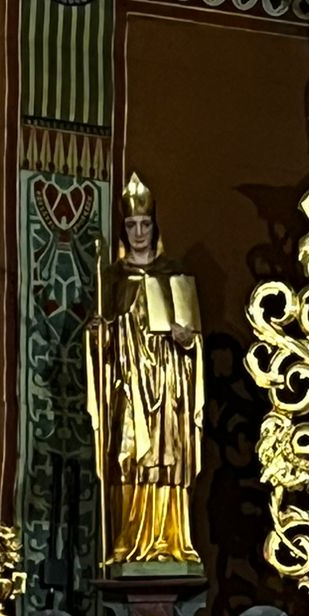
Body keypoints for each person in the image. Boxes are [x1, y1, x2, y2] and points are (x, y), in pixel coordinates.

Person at [86, 173, 203, 569]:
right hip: (128, 383)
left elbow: (195, 344)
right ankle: (128, 537)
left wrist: (186, 339)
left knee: (167, 458)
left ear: (155, 227)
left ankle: (172, 541)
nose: (139, 232)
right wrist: (99, 334)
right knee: (129, 455)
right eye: (132, 226)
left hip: (167, 385)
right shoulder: (112, 278)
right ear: (124, 230)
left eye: (145, 225)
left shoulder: (174, 272)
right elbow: (97, 345)